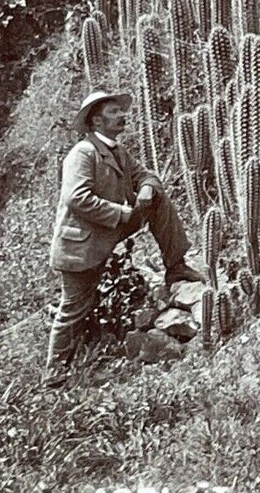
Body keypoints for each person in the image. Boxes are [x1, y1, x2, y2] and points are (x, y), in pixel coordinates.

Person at [45, 88, 204, 387]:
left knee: (157, 199)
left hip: (108, 231)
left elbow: (147, 175)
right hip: (81, 247)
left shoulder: (117, 150)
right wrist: (122, 213)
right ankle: (53, 378)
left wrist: (145, 189)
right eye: (113, 112)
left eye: (121, 110)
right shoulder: (83, 153)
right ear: (96, 121)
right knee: (73, 310)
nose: (122, 115)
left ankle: (176, 264)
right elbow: (76, 198)